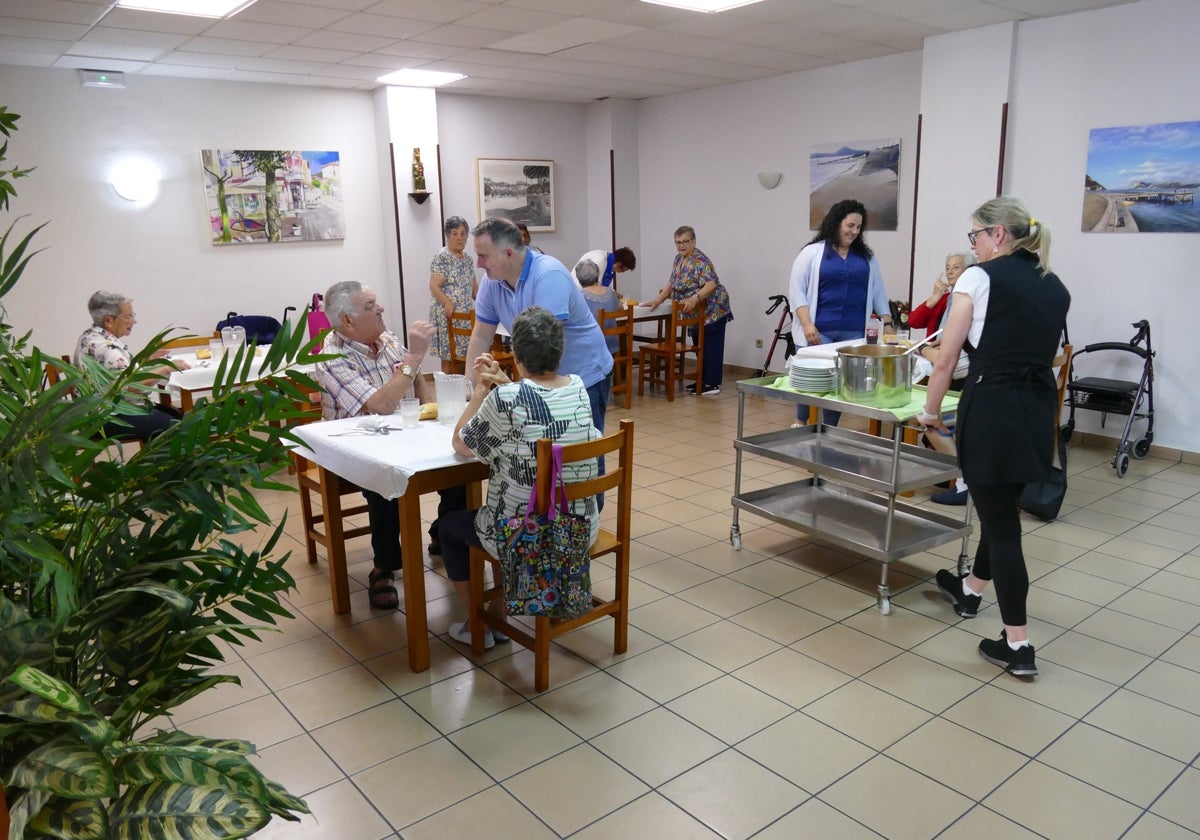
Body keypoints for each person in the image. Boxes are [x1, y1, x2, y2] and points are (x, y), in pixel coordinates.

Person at [920, 197, 1070, 679]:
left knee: (1004, 528)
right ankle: (969, 591)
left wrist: (929, 411)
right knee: (999, 507)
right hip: (1035, 410)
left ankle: (1018, 644)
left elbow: (946, 358)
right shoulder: (1056, 286)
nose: (974, 246)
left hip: (992, 408)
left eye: (975, 237)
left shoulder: (978, 277)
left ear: (998, 235)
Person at [440, 307, 600, 648]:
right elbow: (538, 415)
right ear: (560, 351)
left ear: (515, 354)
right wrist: (505, 386)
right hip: (578, 528)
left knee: (448, 528)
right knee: (500, 512)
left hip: (527, 536)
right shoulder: (578, 388)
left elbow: (461, 442)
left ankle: (480, 623)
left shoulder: (505, 399)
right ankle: (497, 615)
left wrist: (484, 390)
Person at [315, 280, 465, 610]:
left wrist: (432, 412)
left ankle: (444, 532)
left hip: (406, 436)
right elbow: (380, 405)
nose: (381, 309)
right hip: (354, 451)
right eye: (370, 307)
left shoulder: (386, 339)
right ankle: (383, 566)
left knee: (461, 468)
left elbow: (416, 379)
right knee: (383, 485)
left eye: (376, 303)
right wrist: (415, 354)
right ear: (348, 321)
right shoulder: (330, 356)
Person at [466, 217, 613, 438]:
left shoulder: (548, 274)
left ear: (508, 253)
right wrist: (470, 391)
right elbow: (480, 336)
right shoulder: (492, 280)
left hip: (584, 373)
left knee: (582, 453)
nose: (478, 264)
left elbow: (542, 346)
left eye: (483, 256)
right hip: (542, 374)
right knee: (541, 452)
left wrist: (521, 393)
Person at [788, 199, 894, 424]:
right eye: (850, 226)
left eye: (858, 227)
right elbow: (797, 292)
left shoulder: (866, 257)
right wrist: (807, 324)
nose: (854, 231)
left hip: (853, 331)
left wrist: (887, 321)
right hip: (818, 330)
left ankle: (830, 427)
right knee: (810, 378)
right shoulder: (812, 253)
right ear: (837, 223)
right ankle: (801, 420)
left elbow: (878, 292)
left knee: (840, 383)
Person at [75, 290, 189, 441]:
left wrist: (146, 361)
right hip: (106, 417)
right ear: (108, 320)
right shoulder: (106, 347)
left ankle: (160, 460)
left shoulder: (90, 335)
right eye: (129, 316)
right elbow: (131, 387)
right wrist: (167, 367)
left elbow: (117, 375)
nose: (134, 321)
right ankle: (166, 462)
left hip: (94, 411)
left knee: (173, 415)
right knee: (174, 425)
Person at [911, 251, 977, 505]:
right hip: (951, 368)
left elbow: (951, 353)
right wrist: (935, 296)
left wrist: (925, 350)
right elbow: (916, 320)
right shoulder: (949, 298)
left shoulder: (967, 300)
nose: (950, 272)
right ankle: (951, 472)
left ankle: (963, 480)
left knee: (927, 415)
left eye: (956, 267)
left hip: (960, 374)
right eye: (947, 267)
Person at [644, 225, 734, 395]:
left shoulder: (700, 260)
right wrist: (657, 300)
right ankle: (701, 380)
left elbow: (711, 283)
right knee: (699, 344)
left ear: (693, 241)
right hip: (696, 312)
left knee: (710, 345)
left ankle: (712, 383)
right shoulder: (678, 259)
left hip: (713, 309)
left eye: (685, 241)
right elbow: (671, 283)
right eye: (678, 242)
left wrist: (695, 298)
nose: (681, 245)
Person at [428, 215, 478, 374]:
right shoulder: (443, 256)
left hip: (465, 316)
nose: (459, 238)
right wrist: (447, 303)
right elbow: (434, 286)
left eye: (463, 234)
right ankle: (447, 393)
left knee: (465, 356)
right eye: (455, 233)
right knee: (449, 357)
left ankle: (464, 393)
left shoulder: (468, 259)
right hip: (448, 315)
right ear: (448, 235)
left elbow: (474, 288)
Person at [575, 258, 622, 354]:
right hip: (611, 346)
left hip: (590, 348)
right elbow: (620, 308)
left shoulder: (579, 296)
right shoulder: (610, 292)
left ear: (579, 278)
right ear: (597, 274)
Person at [571, 246, 637, 291]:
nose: (619, 272)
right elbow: (595, 288)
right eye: (622, 270)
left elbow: (602, 285)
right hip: (578, 290)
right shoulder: (600, 261)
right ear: (618, 264)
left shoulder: (607, 260)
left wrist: (613, 293)